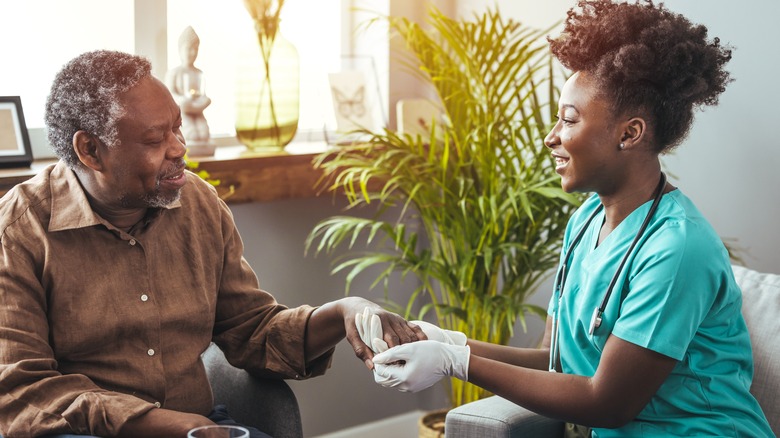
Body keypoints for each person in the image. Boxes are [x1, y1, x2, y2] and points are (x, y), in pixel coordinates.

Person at [362, 1, 775, 436]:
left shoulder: (677, 249)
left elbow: (607, 402)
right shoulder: (585, 222)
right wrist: (447, 342)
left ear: (629, 133)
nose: (550, 137)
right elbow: (553, 361)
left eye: (569, 119)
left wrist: (457, 365)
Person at [0, 49, 423, 438]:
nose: (179, 148)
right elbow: (21, 388)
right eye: (155, 140)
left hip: (202, 427)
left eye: (178, 128)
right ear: (90, 150)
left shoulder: (197, 202)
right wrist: (162, 424)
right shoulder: (19, 230)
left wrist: (344, 312)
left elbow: (251, 329)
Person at [164, 26, 214, 153]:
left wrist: (204, 101)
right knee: (191, 135)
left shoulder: (199, 73)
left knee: (203, 134)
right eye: (188, 48)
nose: (192, 52)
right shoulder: (174, 73)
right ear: (180, 50)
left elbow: (202, 94)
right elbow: (170, 95)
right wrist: (183, 102)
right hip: (182, 112)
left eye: (195, 49)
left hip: (197, 110)